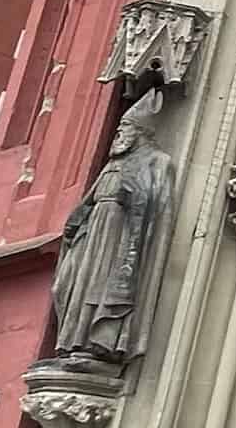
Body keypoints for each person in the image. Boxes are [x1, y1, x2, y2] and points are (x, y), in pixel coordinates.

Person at [51, 90, 176, 367]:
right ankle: (75, 340)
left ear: (140, 131)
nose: (119, 133)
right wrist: (77, 220)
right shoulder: (114, 163)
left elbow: (159, 207)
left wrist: (134, 196)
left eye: (125, 128)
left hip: (120, 236)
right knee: (68, 282)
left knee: (103, 285)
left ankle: (102, 344)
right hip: (95, 231)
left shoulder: (157, 161)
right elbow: (90, 199)